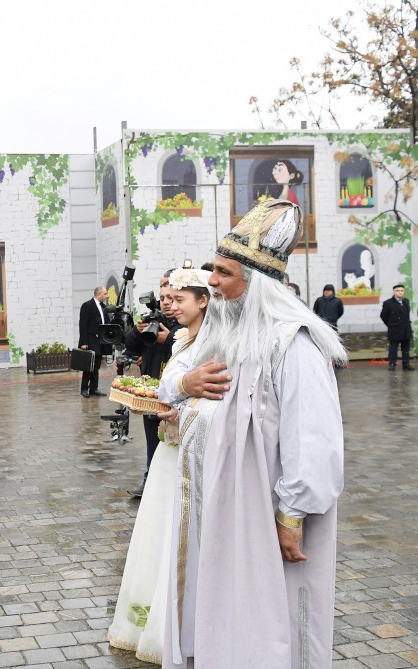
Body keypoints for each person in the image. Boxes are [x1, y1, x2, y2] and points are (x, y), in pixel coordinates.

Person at [160, 199, 346, 668]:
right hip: (219, 512)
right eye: (213, 270)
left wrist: (292, 515)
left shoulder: (293, 342)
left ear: (255, 282)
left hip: (265, 518)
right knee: (224, 614)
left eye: (223, 273)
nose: (213, 282)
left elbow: (314, 439)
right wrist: (185, 384)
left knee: (269, 618)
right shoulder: (220, 332)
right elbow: (170, 380)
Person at [108, 265, 211, 665]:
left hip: (188, 441)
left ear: (203, 299)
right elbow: (170, 384)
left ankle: (182, 624)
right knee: (157, 528)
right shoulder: (184, 337)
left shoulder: (213, 341)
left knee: (182, 530)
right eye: (167, 297)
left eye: (178, 298)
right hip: (172, 437)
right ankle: (150, 615)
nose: (170, 304)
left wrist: (179, 408)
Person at [122, 270, 179, 496]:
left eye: (170, 295)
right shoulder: (153, 318)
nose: (165, 302)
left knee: (173, 445)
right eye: (162, 295)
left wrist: (169, 339)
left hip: (176, 397)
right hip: (152, 394)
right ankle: (150, 484)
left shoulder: (188, 322)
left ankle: (170, 490)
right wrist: (137, 332)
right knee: (152, 444)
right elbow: (131, 347)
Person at [78, 286, 108, 397]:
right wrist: (83, 342)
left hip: (100, 340)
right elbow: (83, 325)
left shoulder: (104, 307)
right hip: (90, 340)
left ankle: (94, 388)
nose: (106, 296)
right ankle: (84, 388)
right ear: (98, 294)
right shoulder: (87, 306)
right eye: (105, 294)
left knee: (96, 366)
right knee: (88, 365)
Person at [380, 284, 414, 371]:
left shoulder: (406, 301)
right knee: (393, 348)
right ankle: (392, 364)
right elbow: (383, 316)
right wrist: (391, 324)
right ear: (394, 292)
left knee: (406, 348)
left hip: (406, 329)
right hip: (394, 329)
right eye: (398, 290)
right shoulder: (388, 303)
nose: (400, 292)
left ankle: (406, 363)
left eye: (402, 290)